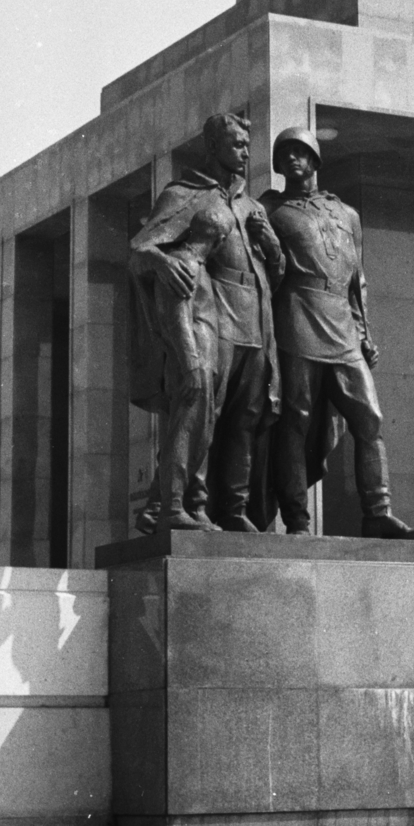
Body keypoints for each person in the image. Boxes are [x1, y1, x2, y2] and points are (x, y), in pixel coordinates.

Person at [263, 127, 414, 541]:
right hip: (296, 316)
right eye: (285, 155)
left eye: (301, 153)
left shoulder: (347, 214)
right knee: (295, 420)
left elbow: (358, 279)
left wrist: (364, 331)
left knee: (369, 417)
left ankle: (378, 511)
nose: (293, 160)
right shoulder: (269, 209)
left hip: (341, 323)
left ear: (316, 160)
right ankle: (297, 521)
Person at [129, 112, 285, 532]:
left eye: (247, 146)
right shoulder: (187, 194)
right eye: (236, 144)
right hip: (215, 311)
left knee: (247, 416)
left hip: (257, 315)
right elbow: (141, 250)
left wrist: (270, 243)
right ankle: (187, 503)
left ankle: (233, 509)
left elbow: (279, 271)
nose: (245, 152)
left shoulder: (251, 206)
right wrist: (162, 263)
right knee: (205, 409)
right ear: (213, 147)